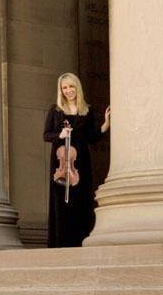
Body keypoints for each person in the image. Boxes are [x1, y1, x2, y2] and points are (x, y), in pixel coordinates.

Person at [44, 72, 110, 247]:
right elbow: (46, 135)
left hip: (80, 163)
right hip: (60, 163)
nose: (68, 91)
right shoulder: (56, 110)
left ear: (77, 87)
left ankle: (80, 241)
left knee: (80, 200)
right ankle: (60, 243)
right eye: (64, 88)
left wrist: (105, 125)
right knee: (61, 202)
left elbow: (91, 137)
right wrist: (60, 134)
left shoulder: (86, 110)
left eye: (71, 86)